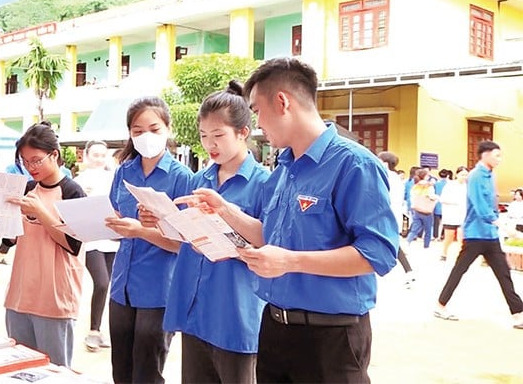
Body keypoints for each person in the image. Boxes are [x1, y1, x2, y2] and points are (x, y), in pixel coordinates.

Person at [178, 58, 398, 382]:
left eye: (257, 111)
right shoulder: (282, 171)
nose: (257, 124)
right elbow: (270, 235)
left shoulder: (353, 164)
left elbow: (378, 254)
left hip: (331, 337)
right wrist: (224, 210)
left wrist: (290, 261)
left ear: (282, 102)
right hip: (275, 327)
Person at [163, 82, 270, 384]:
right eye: (204, 136)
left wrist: (226, 226)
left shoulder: (264, 183)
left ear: (243, 133)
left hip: (234, 309)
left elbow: (269, 241)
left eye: (218, 135)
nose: (210, 144)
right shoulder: (200, 179)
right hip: (197, 308)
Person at [103, 96, 193, 384]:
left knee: (147, 371)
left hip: (158, 289)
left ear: (168, 128)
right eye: (138, 131)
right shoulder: (124, 171)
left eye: (154, 129)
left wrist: (142, 230)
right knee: (121, 370)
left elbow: (184, 244)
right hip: (122, 286)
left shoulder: (182, 178)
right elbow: (116, 217)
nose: (146, 137)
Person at [4, 122, 87, 367]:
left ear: (54, 155)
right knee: (19, 371)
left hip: (54, 299)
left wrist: (40, 211)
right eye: (25, 162)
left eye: (36, 160)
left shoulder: (72, 191)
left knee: (55, 372)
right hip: (20, 296)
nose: (31, 167)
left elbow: (73, 244)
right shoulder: (27, 189)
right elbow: (10, 239)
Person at [435, 141, 523, 328]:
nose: (499, 159)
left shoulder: (491, 175)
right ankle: (440, 305)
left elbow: (492, 204)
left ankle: (518, 313)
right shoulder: (475, 176)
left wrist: (499, 225)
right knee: (460, 270)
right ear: (485, 155)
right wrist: (504, 226)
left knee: (503, 273)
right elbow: (480, 207)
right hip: (475, 234)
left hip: (490, 235)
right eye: (497, 155)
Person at [73, 140, 117, 352]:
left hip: (112, 238)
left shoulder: (113, 178)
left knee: (109, 286)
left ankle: (99, 330)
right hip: (91, 240)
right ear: (86, 156)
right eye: (95, 155)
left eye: (102, 155)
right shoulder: (78, 181)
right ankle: (93, 331)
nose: (99, 159)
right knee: (101, 282)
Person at [377, 151, 415, 287]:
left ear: (385, 163)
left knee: (392, 244)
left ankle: (408, 272)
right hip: (392, 215)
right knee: (393, 243)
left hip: (384, 215)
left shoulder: (384, 176)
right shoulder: (396, 178)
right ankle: (408, 271)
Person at [439, 166, 468, 261]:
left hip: (463, 215)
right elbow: (442, 199)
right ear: (457, 175)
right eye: (462, 175)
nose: (464, 177)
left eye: (466, 175)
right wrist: (455, 202)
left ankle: (460, 255)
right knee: (449, 237)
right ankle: (444, 252)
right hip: (450, 215)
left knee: (461, 236)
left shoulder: (467, 187)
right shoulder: (450, 185)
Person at [407, 168, 438, 248]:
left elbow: (412, 196)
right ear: (425, 176)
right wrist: (437, 199)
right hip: (426, 210)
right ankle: (426, 246)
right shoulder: (429, 186)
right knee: (428, 229)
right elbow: (431, 196)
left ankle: (408, 242)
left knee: (414, 228)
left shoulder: (415, 186)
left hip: (416, 209)